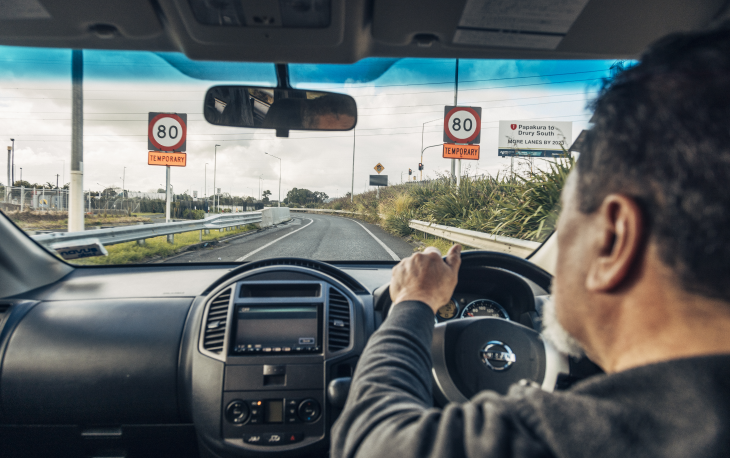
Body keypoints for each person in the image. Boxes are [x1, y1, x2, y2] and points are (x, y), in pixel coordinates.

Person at [331, 24, 730, 458]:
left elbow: (370, 441)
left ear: (614, 240)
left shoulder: (566, 436)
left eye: (566, 214)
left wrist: (415, 301)